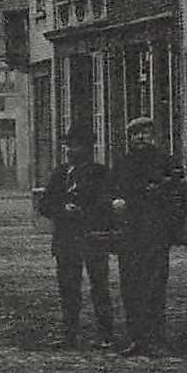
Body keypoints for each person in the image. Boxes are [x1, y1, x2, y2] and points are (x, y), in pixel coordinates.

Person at [108, 116, 187, 358]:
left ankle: (155, 337)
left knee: (154, 286)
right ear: (129, 138)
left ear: (154, 137)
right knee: (130, 286)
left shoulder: (167, 163)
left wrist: (169, 224)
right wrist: (115, 204)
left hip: (155, 234)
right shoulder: (122, 164)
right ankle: (136, 338)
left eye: (145, 133)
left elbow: (182, 199)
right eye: (135, 134)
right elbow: (109, 193)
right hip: (129, 234)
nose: (141, 138)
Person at [37, 126, 115, 349]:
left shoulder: (100, 173)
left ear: (88, 149)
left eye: (78, 145)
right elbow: (44, 205)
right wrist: (63, 208)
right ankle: (70, 335)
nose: (72, 149)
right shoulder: (60, 174)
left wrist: (85, 212)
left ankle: (106, 335)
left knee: (99, 286)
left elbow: (106, 203)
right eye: (69, 145)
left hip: (92, 237)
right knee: (69, 289)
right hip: (66, 240)